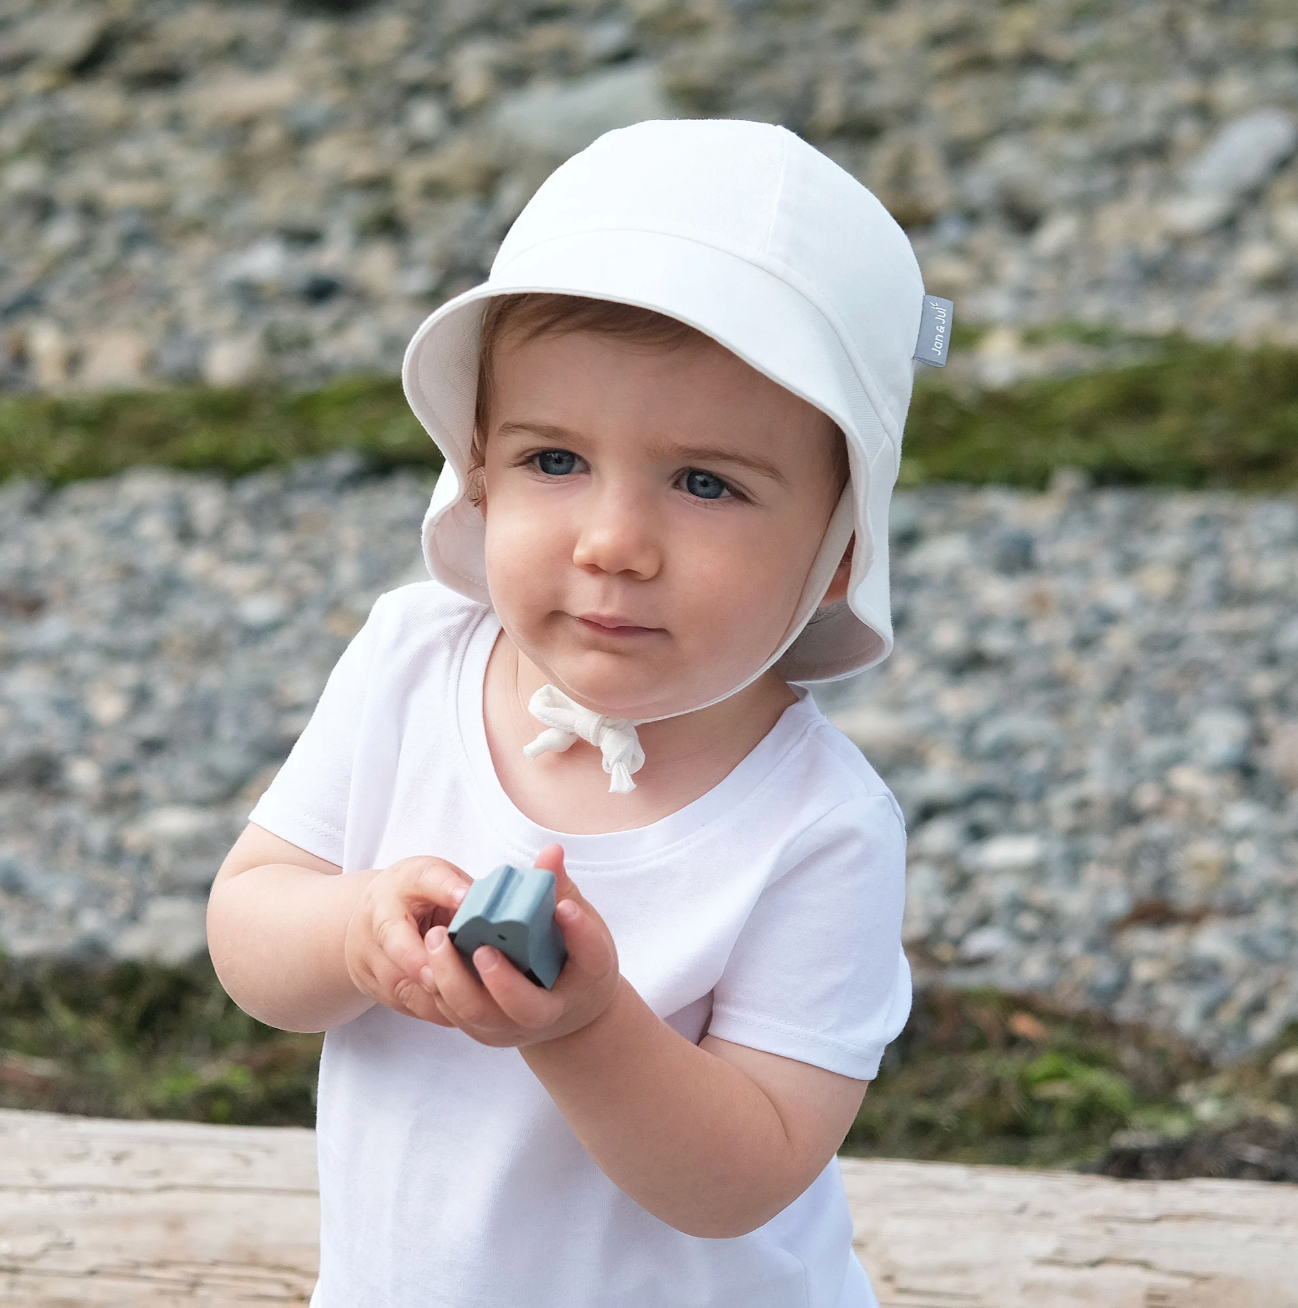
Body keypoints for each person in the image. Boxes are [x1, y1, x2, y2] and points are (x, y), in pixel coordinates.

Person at [207, 118, 933, 1308]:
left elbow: (747, 1173)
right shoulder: (410, 663)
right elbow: (248, 930)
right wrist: (351, 933)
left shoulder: (817, 825)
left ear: (839, 550)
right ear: (476, 473)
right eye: (554, 461)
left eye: (704, 483)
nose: (612, 543)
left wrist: (583, 1026)